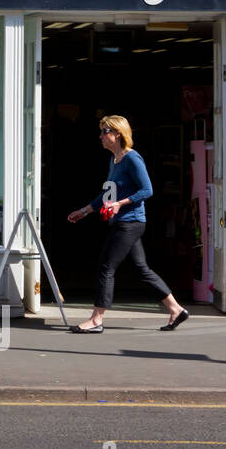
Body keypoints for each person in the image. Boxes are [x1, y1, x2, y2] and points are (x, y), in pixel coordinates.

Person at [66, 114, 189, 334]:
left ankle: (96, 319)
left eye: (105, 131)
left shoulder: (133, 158)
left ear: (118, 134)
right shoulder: (114, 161)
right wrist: (84, 211)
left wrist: (121, 204)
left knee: (106, 267)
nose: (101, 136)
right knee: (142, 269)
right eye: (102, 131)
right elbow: (107, 195)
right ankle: (176, 309)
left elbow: (147, 190)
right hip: (124, 222)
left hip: (129, 223)